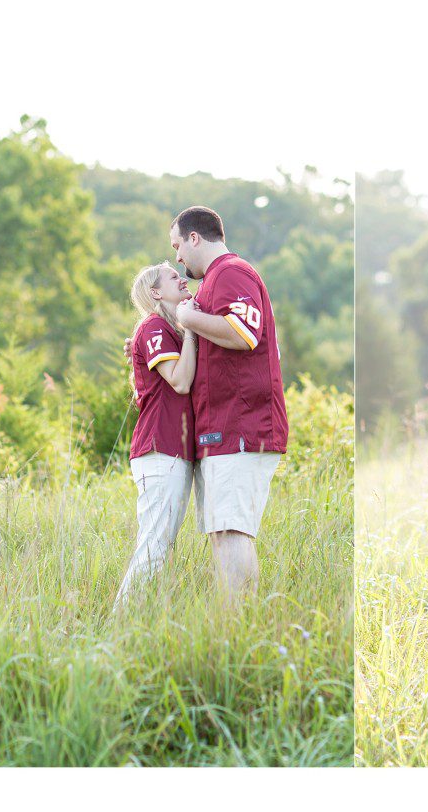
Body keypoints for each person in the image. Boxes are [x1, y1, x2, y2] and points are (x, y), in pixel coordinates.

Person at [169, 206, 288, 605]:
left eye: (178, 246)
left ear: (194, 238)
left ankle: (240, 627)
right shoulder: (213, 281)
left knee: (232, 530)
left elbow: (242, 334)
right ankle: (232, 625)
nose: (177, 258)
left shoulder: (231, 272)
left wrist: (187, 317)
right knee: (222, 531)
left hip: (242, 425)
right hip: (222, 429)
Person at [114, 261, 198, 608]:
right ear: (155, 292)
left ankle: (138, 620)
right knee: (154, 544)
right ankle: (121, 623)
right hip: (160, 448)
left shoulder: (166, 328)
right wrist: (192, 328)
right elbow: (179, 380)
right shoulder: (153, 327)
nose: (182, 279)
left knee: (160, 543)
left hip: (172, 450)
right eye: (173, 277)